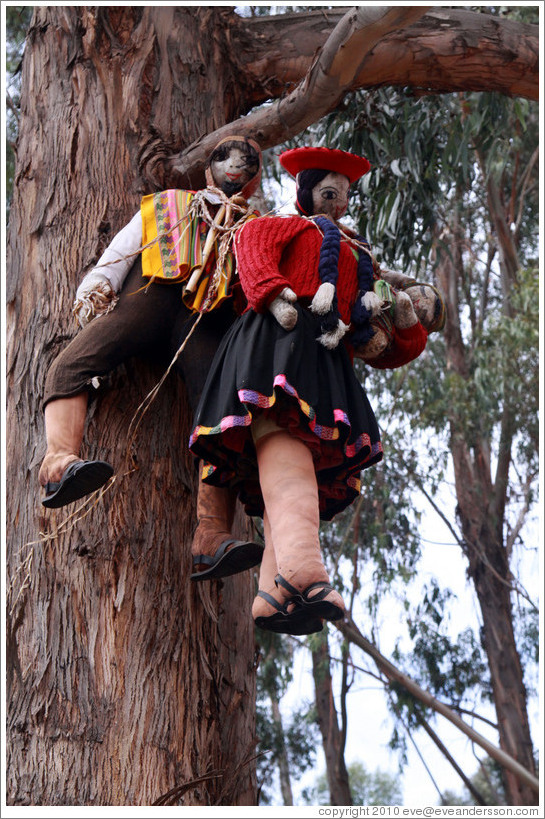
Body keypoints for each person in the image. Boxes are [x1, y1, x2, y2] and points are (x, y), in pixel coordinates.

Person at [188, 146, 430, 634]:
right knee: (289, 454)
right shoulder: (291, 226)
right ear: (304, 193)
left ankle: (273, 593)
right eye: (328, 191)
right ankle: (304, 572)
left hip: (325, 355)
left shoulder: (360, 260)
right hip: (278, 343)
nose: (338, 202)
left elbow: (382, 340)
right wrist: (275, 295)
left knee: (295, 465)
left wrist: (405, 324)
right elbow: (252, 243)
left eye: (343, 195)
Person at [39, 135, 265, 581]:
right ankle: (59, 462)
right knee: (73, 362)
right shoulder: (171, 203)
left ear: (254, 181)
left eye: (247, 161)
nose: (235, 165)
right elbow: (127, 244)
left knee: (219, 421)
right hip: (147, 297)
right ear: (208, 170)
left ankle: (212, 534)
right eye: (225, 156)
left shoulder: (254, 230)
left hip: (205, 325)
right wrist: (100, 282)